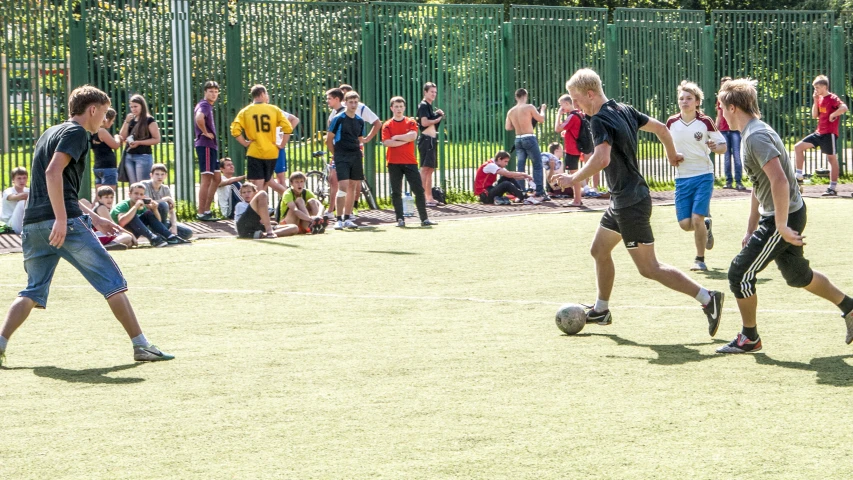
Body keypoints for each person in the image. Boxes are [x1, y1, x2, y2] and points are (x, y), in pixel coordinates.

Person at [0, 85, 173, 367]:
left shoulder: (49, 133)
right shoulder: (77, 133)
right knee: (113, 282)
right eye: (104, 114)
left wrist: (95, 216)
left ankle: (0, 343)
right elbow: (52, 172)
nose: (105, 121)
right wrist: (60, 219)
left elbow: (59, 186)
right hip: (63, 223)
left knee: (32, 290)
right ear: (92, 110)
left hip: (34, 225)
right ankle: (142, 345)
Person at [552, 68, 723, 335]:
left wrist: (573, 178)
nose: (574, 106)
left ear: (590, 93)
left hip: (630, 202)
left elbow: (602, 159)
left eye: (575, 99)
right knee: (599, 250)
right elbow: (661, 129)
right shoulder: (624, 109)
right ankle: (601, 310)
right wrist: (671, 154)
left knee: (649, 268)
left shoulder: (598, 120)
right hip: (622, 200)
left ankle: (707, 298)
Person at [715, 78, 853, 353]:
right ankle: (850, 307)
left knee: (739, 273)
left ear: (731, 107)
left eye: (720, 107)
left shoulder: (755, 136)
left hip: (784, 215)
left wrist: (779, 225)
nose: (719, 112)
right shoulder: (751, 133)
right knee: (797, 276)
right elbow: (760, 183)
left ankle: (749, 337)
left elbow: (779, 182)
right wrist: (750, 228)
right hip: (785, 212)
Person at [665, 80, 726, 271]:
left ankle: (700, 260)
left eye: (689, 98)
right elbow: (668, 146)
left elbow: (723, 146)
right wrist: (672, 157)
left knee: (697, 218)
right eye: (681, 98)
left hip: (703, 175)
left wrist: (717, 147)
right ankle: (706, 226)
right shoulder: (671, 122)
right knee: (686, 224)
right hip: (682, 177)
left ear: (697, 101)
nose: (684, 101)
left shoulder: (705, 121)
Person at [382, 96, 437, 227]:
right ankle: (400, 219)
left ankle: (424, 218)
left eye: (401, 106)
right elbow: (386, 142)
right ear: (391, 108)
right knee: (396, 191)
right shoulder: (387, 125)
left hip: (410, 162)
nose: (399, 109)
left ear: (404, 108)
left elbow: (413, 136)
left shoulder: (411, 122)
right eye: (396, 106)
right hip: (393, 162)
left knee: (418, 190)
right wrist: (404, 140)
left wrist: (396, 138)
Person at [230, 84, 293, 195]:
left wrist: (244, 143)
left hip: (255, 151)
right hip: (272, 152)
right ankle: (289, 200)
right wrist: (282, 144)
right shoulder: (274, 109)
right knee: (266, 182)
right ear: (263, 94)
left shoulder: (246, 111)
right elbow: (288, 127)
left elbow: (235, 130)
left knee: (257, 183)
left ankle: (258, 209)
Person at [794, 75, 848, 196]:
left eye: (817, 87)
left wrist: (833, 114)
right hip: (819, 133)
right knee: (798, 147)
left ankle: (832, 188)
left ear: (824, 86)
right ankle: (799, 176)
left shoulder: (833, 98)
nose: (816, 90)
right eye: (815, 88)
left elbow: (844, 107)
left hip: (829, 134)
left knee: (831, 159)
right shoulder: (819, 99)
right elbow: (814, 115)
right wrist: (815, 100)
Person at [326, 91, 373, 230]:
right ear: (345, 103)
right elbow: (329, 140)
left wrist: (362, 146)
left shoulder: (359, 120)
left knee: (353, 186)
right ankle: (338, 219)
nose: (353, 105)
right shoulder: (338, 118)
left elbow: (359, 139)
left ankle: (347, 217)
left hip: (355, 155)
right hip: (341, 155)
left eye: (355, 102)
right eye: (350, 102)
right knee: (343, 186)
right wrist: (336, 154)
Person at [339, 84, 381, 215]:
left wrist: (367, 138)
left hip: (355, 148)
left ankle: (351, 207)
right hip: (341, 149)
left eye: (354, 101)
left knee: (354, 180)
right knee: (339, 181)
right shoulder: (338, 111)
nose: (352, 104)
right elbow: (331, 129)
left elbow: (377, 122)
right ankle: (338, 213)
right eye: (348, 100)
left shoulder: (361, 109)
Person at [111, 182, 188, 247]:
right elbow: (121, 222)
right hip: (120, 234)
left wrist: (154, 210)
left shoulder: (142, 205)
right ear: (130, 194)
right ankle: (152, 238)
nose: (138, 196)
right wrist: (135, 207)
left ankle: (170, 237)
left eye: (141, 194)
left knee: (148, 213)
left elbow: (158, 222)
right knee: (132, 215)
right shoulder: (123, 205)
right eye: (136, 193)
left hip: (133, 232)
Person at [506, 88, 547, 204]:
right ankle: (539, 192)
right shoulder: (529, 107)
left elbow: (508, 127)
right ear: (525, 96)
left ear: (516, 97)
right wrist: (543, 109)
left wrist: (518, 124)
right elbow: (541, 119)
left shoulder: (511, 111)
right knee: (537, 164)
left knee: (520, 167)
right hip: (529, 137)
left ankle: (521, 192)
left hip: (518, 139)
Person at [141, 163, 193, 240]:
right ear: (151, 175)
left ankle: (165, 235)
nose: (160, 177)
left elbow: (171, 211)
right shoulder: (144, 185)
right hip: (149, 221)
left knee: (188, 232)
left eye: (162, 174)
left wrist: (174, 226)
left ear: (166, 176)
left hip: (163, 220)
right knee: (163, 204)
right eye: (157, 174)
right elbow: (148, 204)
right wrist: (165, 199)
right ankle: (163, 234)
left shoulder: (165, 188)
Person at [194, 80, 221, 221]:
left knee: (217, 178)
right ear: (205, 92)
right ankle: (201, 212)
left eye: (216, 92)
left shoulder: (208, 106)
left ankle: (207, 209)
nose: (214, 94)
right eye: (211, 91)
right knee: (206, 179)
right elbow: (199, 118)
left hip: (211, 146)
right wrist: (205, 132)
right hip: (205, 145)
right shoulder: (204, 105)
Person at [119, 94, 161, 183]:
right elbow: (122, 136)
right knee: (133, 187)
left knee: (142, 186)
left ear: (142, 106)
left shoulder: (149, 120)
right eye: (131, 107)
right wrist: (126, 122)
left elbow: (157, 139)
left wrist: (139, 142)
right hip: (129, 156)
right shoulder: (130, 119)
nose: (133, 109)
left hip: (143, 156)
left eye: (136, 106)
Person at [417, 82, 445, 206]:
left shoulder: (429, 106)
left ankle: (429, 197)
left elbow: (432, 122)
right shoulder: (423, 105)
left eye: (435, 92)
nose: (434, 94)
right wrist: (437, 118)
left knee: (430, 169)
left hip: (432, 140)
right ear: (425, 92)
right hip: (426, 140)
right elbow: (424, 122)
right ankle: (421, 197)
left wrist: (438, 114)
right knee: (424, 169)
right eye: (431, 92)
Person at [715, 76, 744, 190]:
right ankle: (728, 181)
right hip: (723, 130)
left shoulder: (735, 98)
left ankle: (739, 182)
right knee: (727, 157)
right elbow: (719, 115)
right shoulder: (720, 99)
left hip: (735, 130)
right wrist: (716, 129)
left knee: (737, 155)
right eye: (723, 84)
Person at [555, 94, 584, 205]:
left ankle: (577, 200)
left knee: (573, 175)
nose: (561, 107)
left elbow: (557, 128)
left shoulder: (572, 116)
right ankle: (577, 199)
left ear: (567, 103)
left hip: (572, 149)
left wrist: (558, 114)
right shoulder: (579, 114)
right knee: (574, 173)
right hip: (576, 147)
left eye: (561, 105)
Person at [322, 88, 346, 219]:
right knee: (333, 180)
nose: (327, 101)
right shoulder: (334, 113)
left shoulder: (343, 113)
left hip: (343, 151)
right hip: (337, 151)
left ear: (337, 99)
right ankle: (334, 209)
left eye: (329, 98)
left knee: (339, 181)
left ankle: (337, 211)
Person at [91, 107, 121, 197]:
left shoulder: (92, 130)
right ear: (106, 119)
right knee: (108, 196)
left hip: (98, 166)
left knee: (99, 197)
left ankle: (93, 210)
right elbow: (115, 145)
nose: (112, 123)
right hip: (108, 167)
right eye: (112, 120)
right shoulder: (102, 131)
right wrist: (117, 137)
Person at [274, 111, 301, 188]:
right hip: (264, 147)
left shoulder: (274, 110)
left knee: (280, 177)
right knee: (265, 178)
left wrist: (285, 133)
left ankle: (285, 198)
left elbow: (295, 120)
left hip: (277, 146)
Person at [1, 167, 28, 234]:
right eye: (19, 178)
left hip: (24, 222)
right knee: (22, 202)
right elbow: (20, 196)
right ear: (13, 179)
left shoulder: (28, 190)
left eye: (24, 178)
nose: (22, 181)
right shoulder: (8, 191)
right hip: (10, 224)